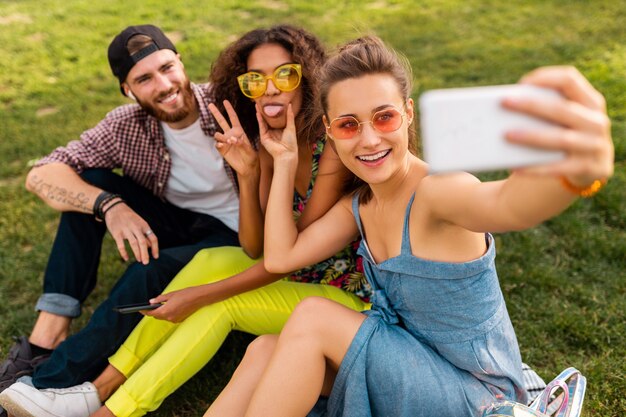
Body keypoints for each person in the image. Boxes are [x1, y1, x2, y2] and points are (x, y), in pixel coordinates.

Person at [205, 36, 614, 416]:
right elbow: (280, 257)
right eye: (348, 125)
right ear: (329, 131)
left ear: (407, 113)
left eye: (383, 118)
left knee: (313, 317)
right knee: (264, 349)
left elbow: (508, 205)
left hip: (479, 394)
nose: (367, 140)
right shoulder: (359, 206)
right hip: (411, 364)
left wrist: (575, 174)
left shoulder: (437, 191)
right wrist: (285, 162)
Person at [0, 25, 372, 417]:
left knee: (214, 302)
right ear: (128, 90)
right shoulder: (265, 141)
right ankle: (89, 384)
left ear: (307, 76)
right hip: (282, 265)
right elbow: (255, 247)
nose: (270, 89)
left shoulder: (314, 138)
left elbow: (290, 255)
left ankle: (108, 410)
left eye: (286, 74)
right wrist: (248, 175)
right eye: (255, 80)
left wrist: (200, 295)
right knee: (197, 260)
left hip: (343, 292)